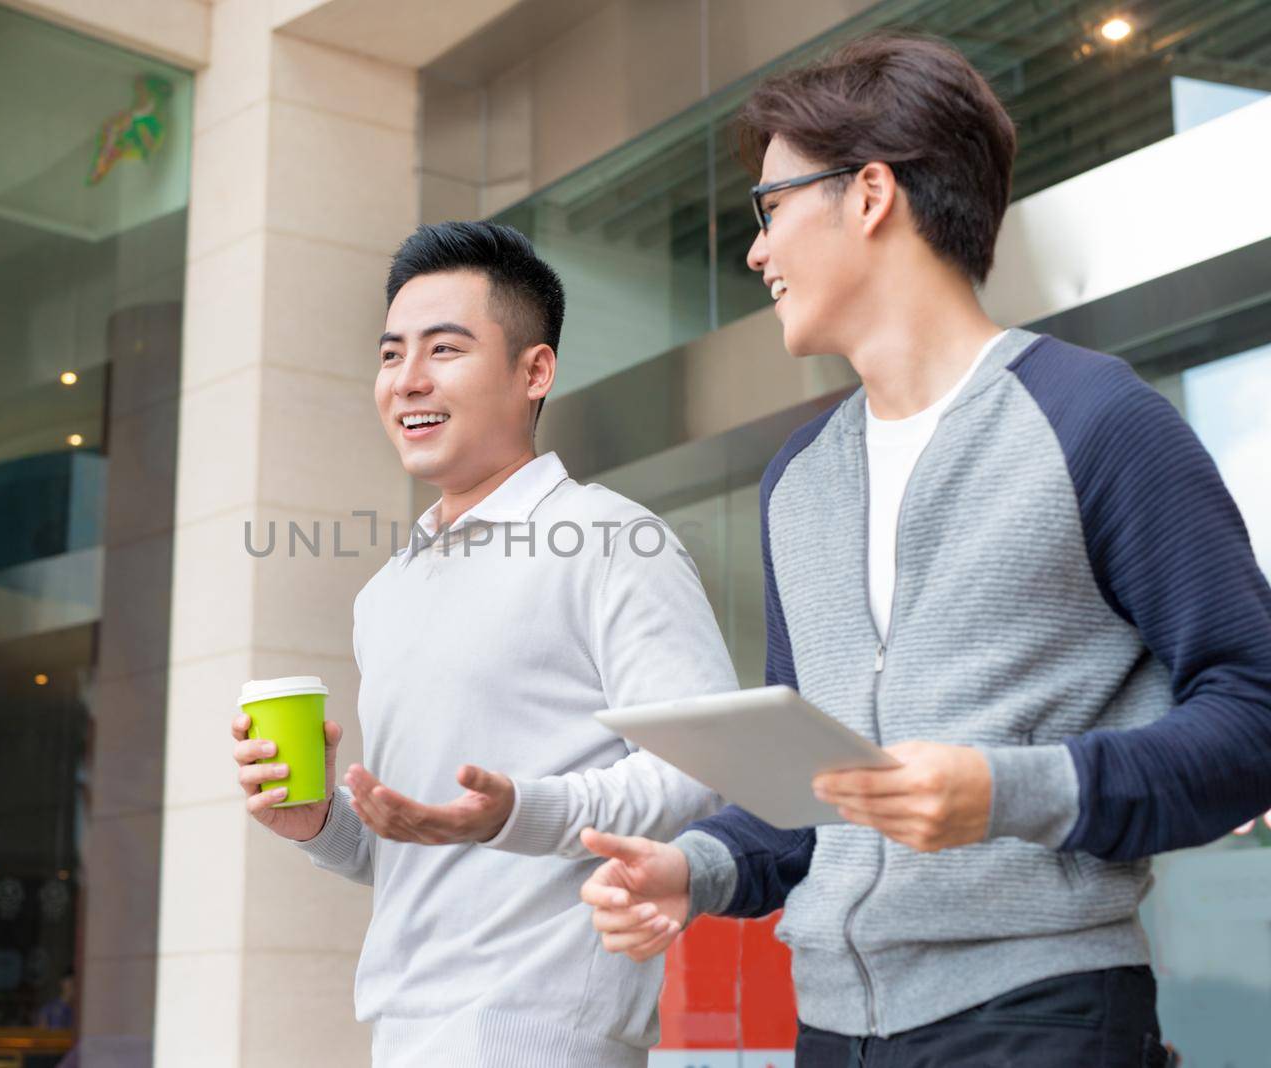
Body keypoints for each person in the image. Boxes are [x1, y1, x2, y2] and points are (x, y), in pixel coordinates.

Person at [579, 31, 1271, 1067]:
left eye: (771, 210)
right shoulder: (797, 480)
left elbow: (1254, 713)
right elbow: (812, 801)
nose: (756, 251)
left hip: (1037, 1020)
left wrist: (1008, 792)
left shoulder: (1097, 422)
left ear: (867, 195)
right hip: (828, 1032)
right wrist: (696, 871)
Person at [230, 221, 739, 1066]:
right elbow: (421, 844)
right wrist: (320, 822)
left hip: (546, 1033)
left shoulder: (613, 538)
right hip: (400, 1030)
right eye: (391, 355)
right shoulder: (386, 593)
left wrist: (520, 811)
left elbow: (702, 771)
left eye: (445, 349)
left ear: (534, 371)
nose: (408, 381)